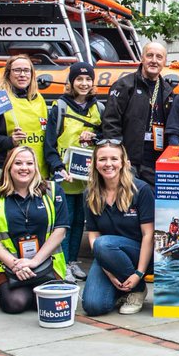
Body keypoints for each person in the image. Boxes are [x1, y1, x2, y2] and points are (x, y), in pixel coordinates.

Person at [0, 146, 68, 315]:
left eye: (29, 163)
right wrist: (16, 265)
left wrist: (34, 262)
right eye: (18, 163)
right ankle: (12, 289)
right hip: (9, 266)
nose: (24, 168)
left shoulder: (53, 190)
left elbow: (60, 230)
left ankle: (35, 289)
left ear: (36, 167)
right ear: (8, 167)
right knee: (14, 304)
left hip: (46, 263)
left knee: (50, 301)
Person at [81, 142, 155, 316]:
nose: (108, 164)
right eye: (102, 159)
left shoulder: (141, 190)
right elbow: (93, 236)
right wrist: (108, 270)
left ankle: (137, 289)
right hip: (106, 253)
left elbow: (149, 235)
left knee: (104, 243)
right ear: (95, 163)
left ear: (123, 162)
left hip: (140, 254)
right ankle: (123, 289)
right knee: (93, 306)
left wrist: (138, 274)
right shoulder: (90, 193)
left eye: (114, 158)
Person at [45, 62, 103, 281]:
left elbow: (105, 134)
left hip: (86, 177)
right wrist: (57, 168)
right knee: (65, 220)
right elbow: (49, 144)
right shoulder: (60, 107)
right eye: (79, 79)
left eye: (88, 79)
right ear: (70, 82)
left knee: (80, 220)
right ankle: (63, 263)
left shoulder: (98, 108)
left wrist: (95, 137)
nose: (84, 83)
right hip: (65, 174)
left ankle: (73, 261)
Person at [0, 54, 59, 199]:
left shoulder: (37, 97)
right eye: (17, 70)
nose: (22, 75)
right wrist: (10, 141)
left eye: (26, 71)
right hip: (6, 170)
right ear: (8, 73)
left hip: (36, 170)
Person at [100, 41, 171, 185]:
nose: (154, 60)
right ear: (142, 57)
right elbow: (111, 123)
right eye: (150, 55)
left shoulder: (167, 90)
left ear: (164, 61)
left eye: (159, 57)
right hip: (129, 161)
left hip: (156, 162)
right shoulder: (125, 85)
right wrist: (118, 157)